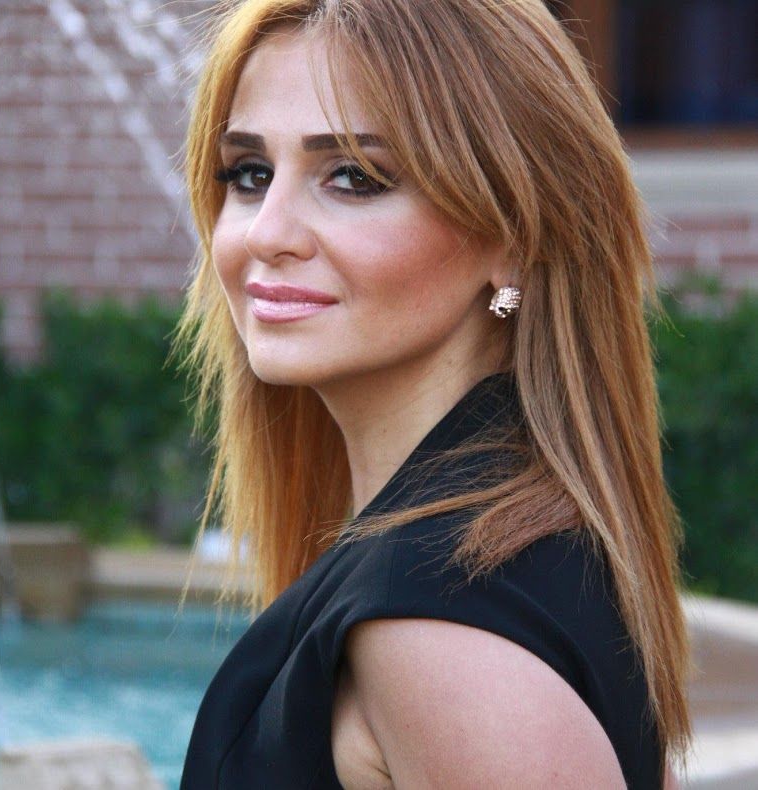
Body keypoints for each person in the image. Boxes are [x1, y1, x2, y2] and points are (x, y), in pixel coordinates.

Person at [176, 1, 691, 787]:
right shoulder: (495, 553)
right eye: (249, 174)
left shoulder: (437, 626)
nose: (265, 232)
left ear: (513, 235)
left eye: (354, 177)